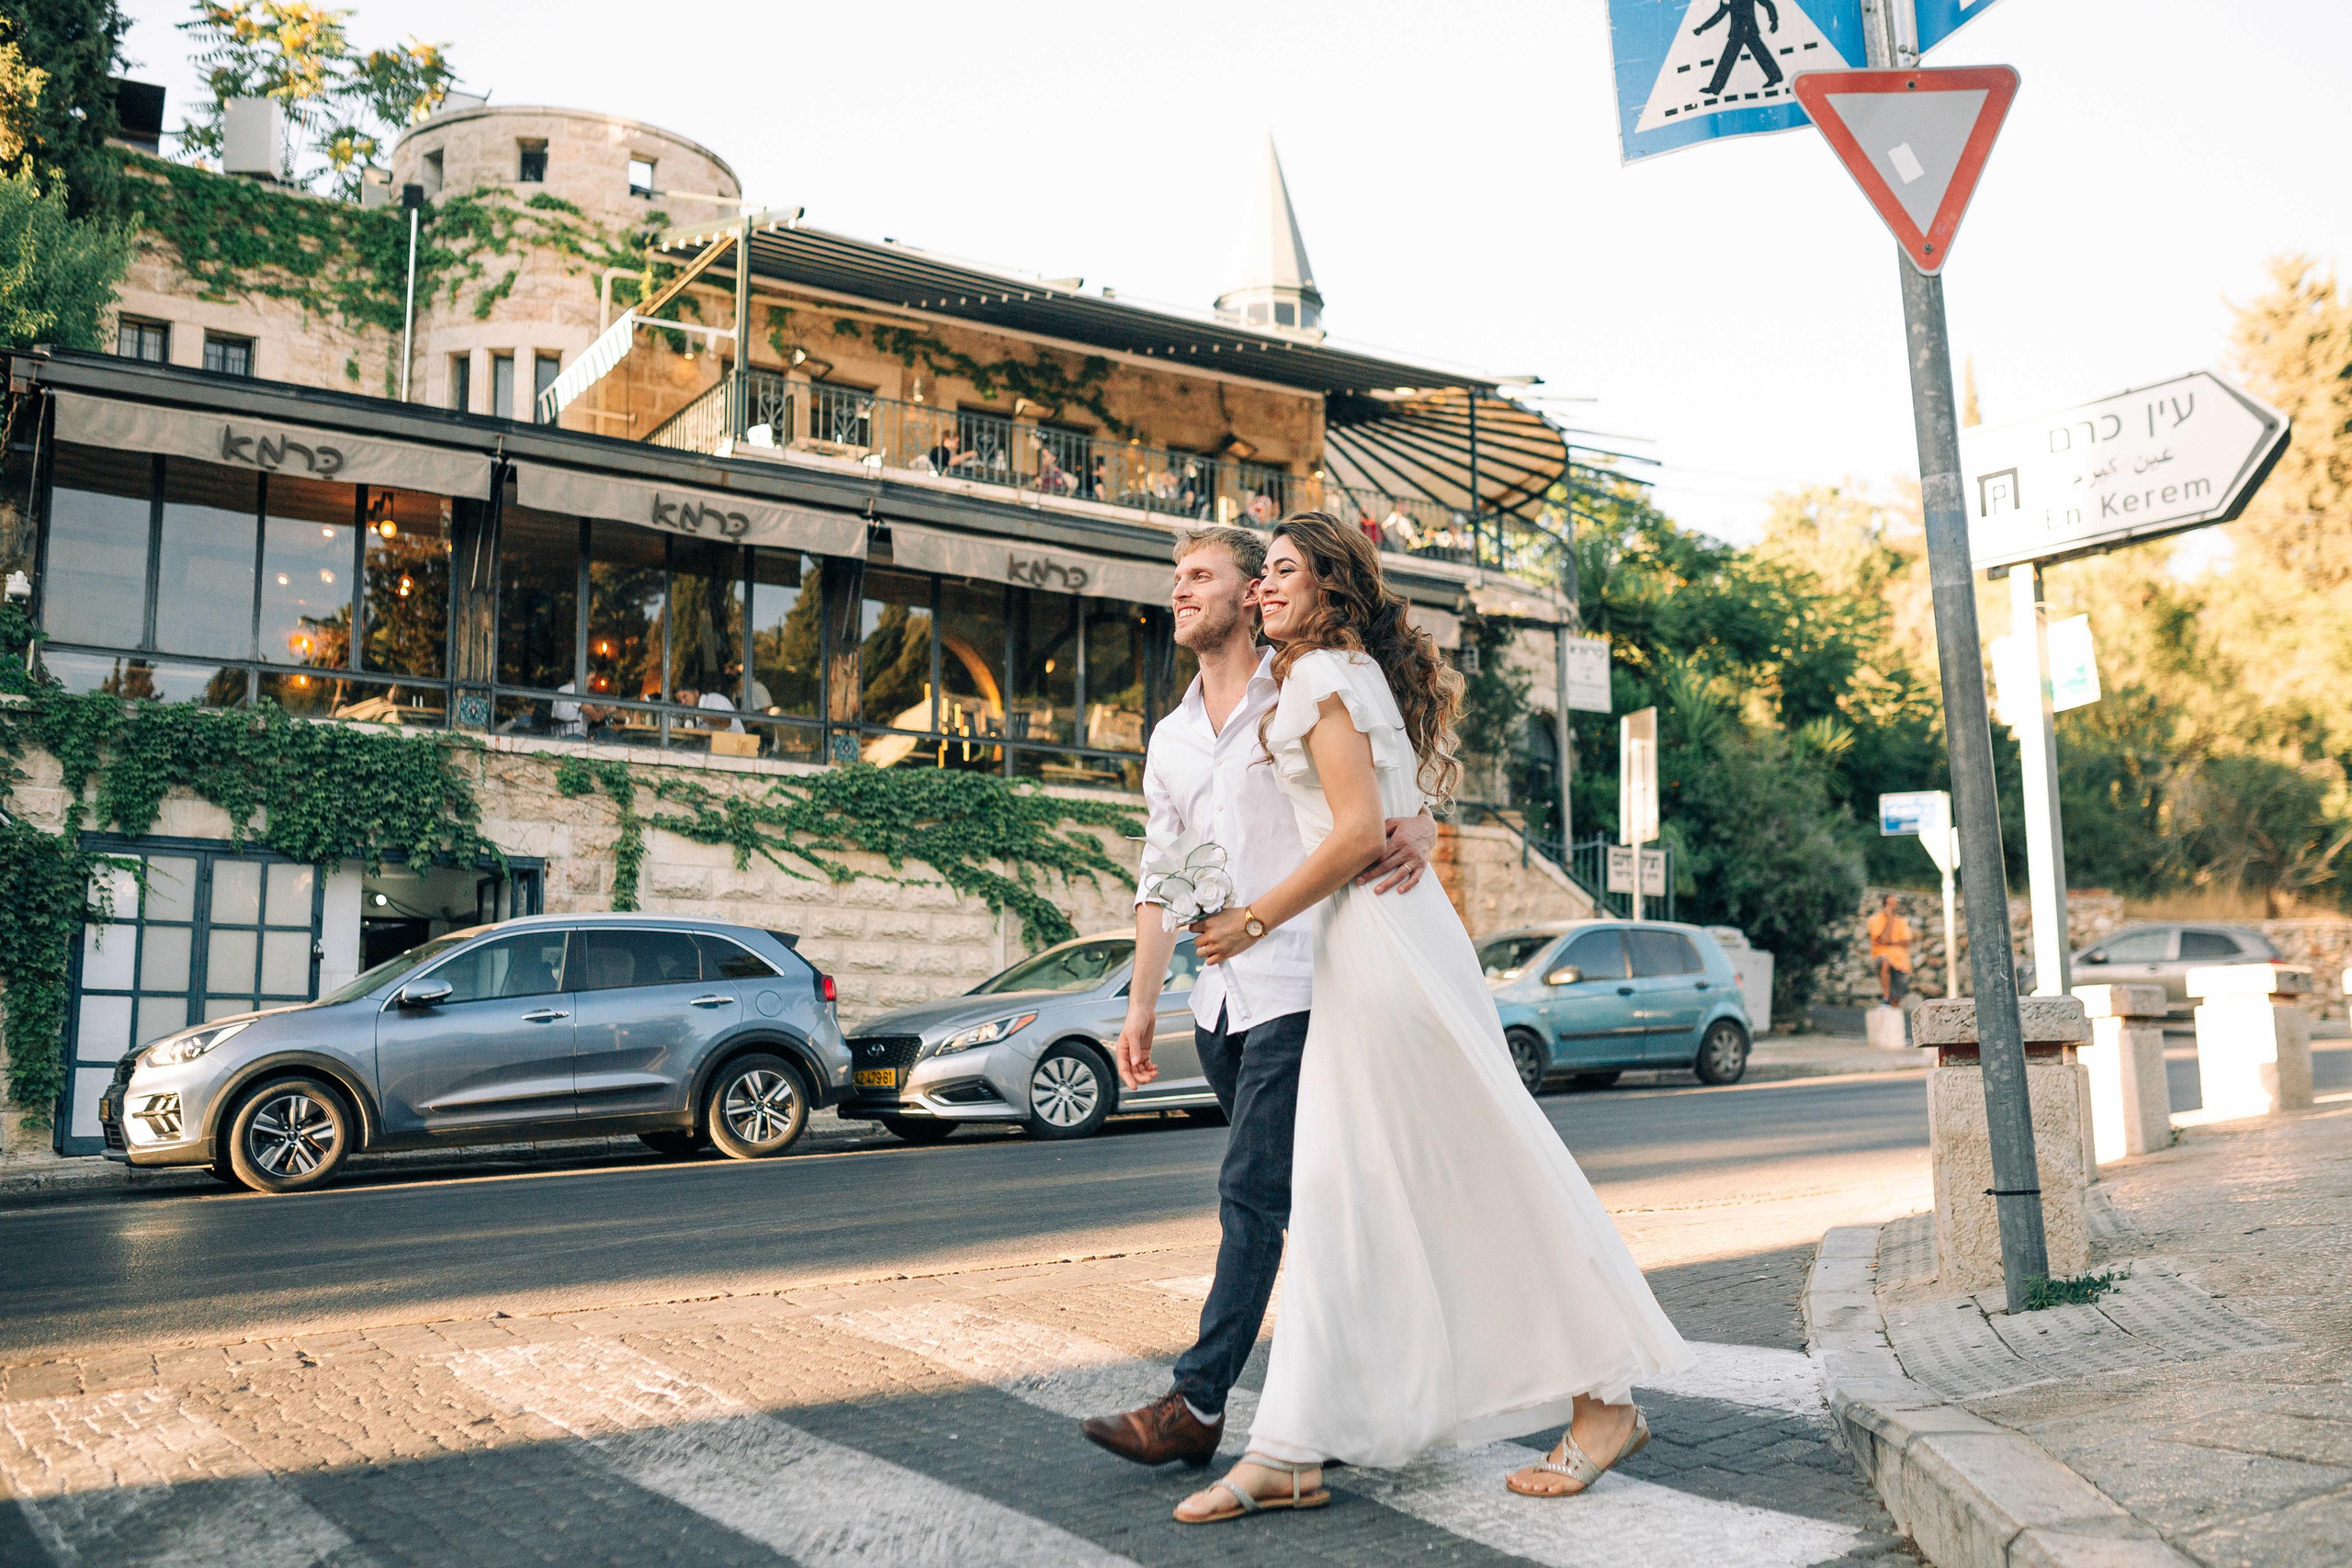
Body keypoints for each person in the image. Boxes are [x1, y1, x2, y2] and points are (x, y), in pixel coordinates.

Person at [1166, 511, 1692, 1523]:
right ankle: (1292, 1444)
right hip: (1389, 940)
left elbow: (1358, 827)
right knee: (1349, 1192)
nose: (1265, 586)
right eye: (1262, 572)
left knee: (1455, 1173)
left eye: (1283, 571)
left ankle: (1602, 1403)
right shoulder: (1339, 670)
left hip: (1376, 949)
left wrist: (1253, 919)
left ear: (1329, 586)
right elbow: (1377, 809)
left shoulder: (1322, 676)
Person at [1078, 524, 1438, 1476]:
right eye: (1174, 579)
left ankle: (1196, 1403)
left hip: (1303, 983)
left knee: (1249, 1196)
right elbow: (1163, 877)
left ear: (1250, 595)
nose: (1177, 592)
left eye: (1198, 576)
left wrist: (1425, 826)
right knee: (1308, 1206)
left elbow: (1387, 772)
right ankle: (1374, 1401)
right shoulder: (1168, 738)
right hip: (1222, 1006)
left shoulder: (1304, 684)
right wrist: (1143, 1006)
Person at [1868, 894, 1913, 1006]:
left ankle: (1892, 1007)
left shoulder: (1902, 921)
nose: (1893, 906)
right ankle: (1886, 997)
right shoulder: (1876, 920)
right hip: (1883, 956)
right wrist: (1889, 921)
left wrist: (1891, 943)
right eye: (1890, 903)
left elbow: (1907, 941)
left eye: (1894, 904)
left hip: (1900, 961)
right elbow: (1882, 939)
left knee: (1897, 997)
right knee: (1885, 962)